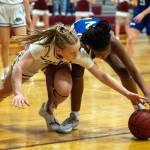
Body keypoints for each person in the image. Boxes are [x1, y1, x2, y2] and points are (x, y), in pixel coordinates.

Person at [0, 24, 147, 132]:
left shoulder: (75, 52)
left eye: (78, 50)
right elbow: (19, 68)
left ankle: (47, 111)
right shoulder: (41, 46)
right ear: (59, 50)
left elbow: (102, 75)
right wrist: (19, 92)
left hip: (56, 62)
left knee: (65, 88)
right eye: (74, 53)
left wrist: (128, 94)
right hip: (32, 63)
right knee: (3, 92)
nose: (78, 55)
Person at [44, 17, 150, 133]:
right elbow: (81, 77)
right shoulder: (80, 46)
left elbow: (132, 69)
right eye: (98, 55)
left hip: (99, 38)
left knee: (123, 70)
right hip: (81, 38)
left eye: (104, 55)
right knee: (77, 74)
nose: (101, 58)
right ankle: (74, 117)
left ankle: (138, 106)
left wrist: (147, 93)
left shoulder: (113, 40)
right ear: (91, 48)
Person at [0, 0, 32, 80]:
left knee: (23, 43)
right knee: (4, 43)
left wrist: (28, 16)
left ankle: (23, 70)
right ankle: (6, 70)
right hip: (2, 8)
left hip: (17, 8)